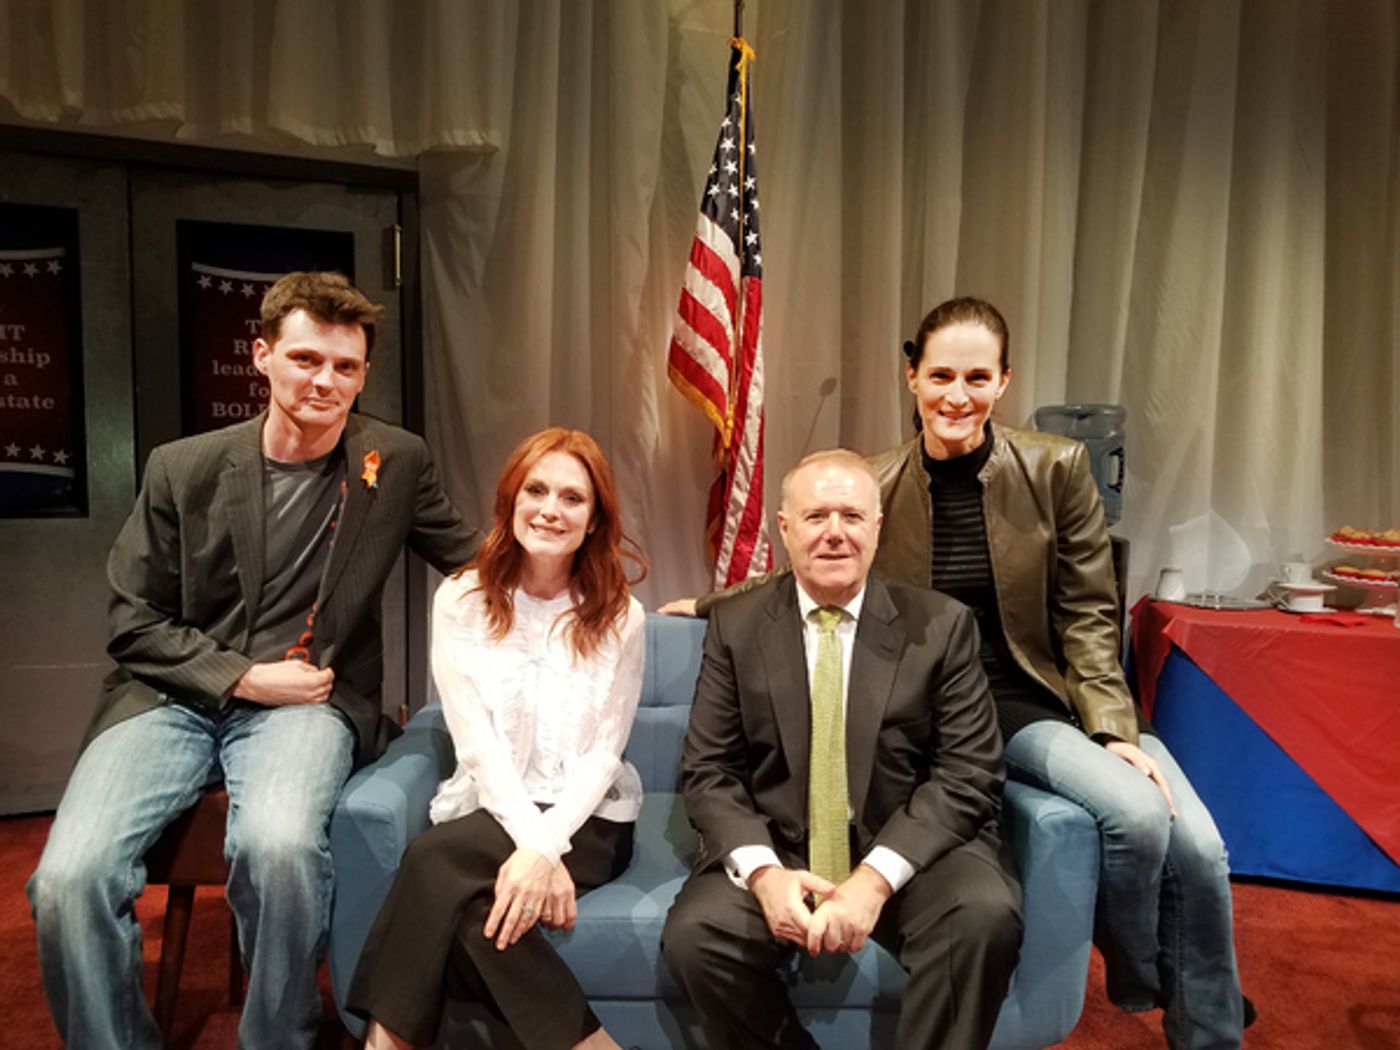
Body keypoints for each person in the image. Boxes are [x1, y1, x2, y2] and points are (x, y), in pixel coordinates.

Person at [674, 296, 1246, 1049]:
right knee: (1139, 822)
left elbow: (1088, 609)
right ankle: (1161, 985)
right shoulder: (877, 479)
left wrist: (1111, 729)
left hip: (1032, 701)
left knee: (1184, 836)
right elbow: (812, 550)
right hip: (926, 698)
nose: (956, 394)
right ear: (911, 378)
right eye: (940, 373)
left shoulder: (1056, 466)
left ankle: (1186, 1009)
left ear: (1004, 381)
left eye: (977, 376)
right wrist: (705, 605)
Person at [26, 271, 482, 1050]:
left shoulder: (395, 460)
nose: (325, 381)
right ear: (262, 356)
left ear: (365, 373)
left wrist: (662, 604)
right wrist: (240, 676)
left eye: (345, 366)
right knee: (67, 881)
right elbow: (133, 621)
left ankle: (280, 1039)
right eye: (306, 359)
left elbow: (479, 562)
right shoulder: (184, 467)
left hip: (309, 704)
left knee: (278, 850)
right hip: (168, 698)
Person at [662, 450, 1021, 1050]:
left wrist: (873, 882)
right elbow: (709, 769)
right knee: (697, 937)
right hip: (783, 847)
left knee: (982, 917)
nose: (834, 533)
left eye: (851, 516)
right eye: (816, 516)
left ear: (877, 528)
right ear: (784, 528)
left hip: (909, 849)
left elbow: (967, 772)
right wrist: (766, 874)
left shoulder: (942, 625)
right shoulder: (736, 626)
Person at [346, 427, 648, 1050]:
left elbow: (603, 754)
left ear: (594, 521)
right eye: (535, 490)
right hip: (495, 802)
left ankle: (382, 1042)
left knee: (432, 861)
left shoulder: (621, 613)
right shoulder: (460, 598)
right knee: (473, 915)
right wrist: (534, 848)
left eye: (572, 498)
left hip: (589, 817)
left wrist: (545, 848)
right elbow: (476, 744)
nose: (550, 510)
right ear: (509, 502)